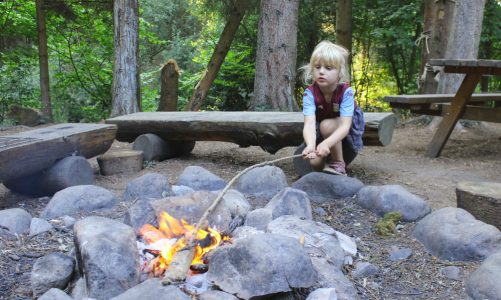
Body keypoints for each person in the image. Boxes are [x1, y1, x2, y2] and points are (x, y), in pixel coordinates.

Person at [300, 40, 364, 175]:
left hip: (345, 130)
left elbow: (345, 126)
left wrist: (326, 143)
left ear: (340, 72)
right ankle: (326, 170)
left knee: (326, 125)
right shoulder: (309, 94)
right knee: (315, 162)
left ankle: (339, 163)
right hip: (321, 127)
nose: (321, 72)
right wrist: (311, 145)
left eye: (328, 68)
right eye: (317, 67)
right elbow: (309, 124)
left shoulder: (346, 92)